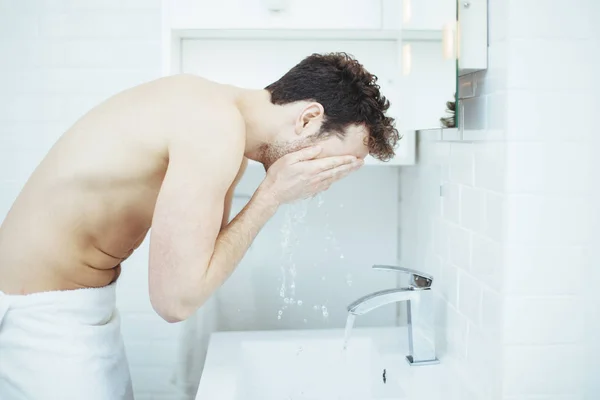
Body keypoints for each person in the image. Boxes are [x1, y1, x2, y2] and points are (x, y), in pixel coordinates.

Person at [0, 52, 398, 399]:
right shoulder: (214, 128)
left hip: (73, 307)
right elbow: (175, 302)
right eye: (335, 160)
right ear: (309, 118)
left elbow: (200, 268)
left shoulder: (220, 121)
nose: (327, 178)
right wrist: (270, 195)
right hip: (36, 316)